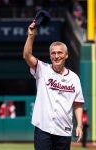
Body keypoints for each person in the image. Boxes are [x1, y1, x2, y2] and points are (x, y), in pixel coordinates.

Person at [23, 22, 85, 150]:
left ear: (66, 55)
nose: (56, 56)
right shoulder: (42, 69)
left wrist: (79, 125)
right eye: (53, 53)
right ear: (50, 55)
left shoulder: (74, 78)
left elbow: (78, 103)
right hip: (43, 129)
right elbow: (27, 56)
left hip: (64, 130)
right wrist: (31, 36)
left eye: (59, 53)